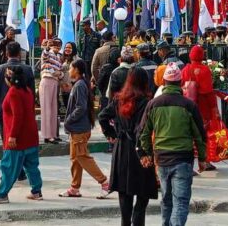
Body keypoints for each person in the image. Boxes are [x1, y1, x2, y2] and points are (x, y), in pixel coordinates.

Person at [138, 62, 207, 226]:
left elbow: (143, 133)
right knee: (181, 201)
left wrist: (147, 154)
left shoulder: (153, 104)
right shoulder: (189, 105)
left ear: (164, 82)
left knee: (167, 200)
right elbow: (200, 135)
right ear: (180, 82)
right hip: (183, 159)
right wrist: (202, 158)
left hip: (161, 160)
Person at [99, 67, 157, 226]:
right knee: (142, 195)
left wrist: (112, 134)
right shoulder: (147, 102)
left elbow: (102, 116)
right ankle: (137, 222)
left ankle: (126, 223)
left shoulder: (119, 99)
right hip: (141, 150)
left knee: (125, 194)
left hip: (122, 149)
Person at [0, 67, 44, 204]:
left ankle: (2, 194)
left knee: (8, 167)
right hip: (31, 136)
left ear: (9, 79)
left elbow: (18, 116)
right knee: (31, 166)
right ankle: (36, 191)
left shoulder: (13, 92)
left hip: (18, 138)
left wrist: (12, 135)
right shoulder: (27, 91)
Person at [60, 59, 110, 198]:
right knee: (75, 159)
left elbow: (80, 107)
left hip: (79, 129)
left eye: (71, 68)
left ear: (76, 70)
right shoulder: (80, 84)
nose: (69, 70)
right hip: (77, 128)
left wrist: (69, 120)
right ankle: (74, 188)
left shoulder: (80, 85)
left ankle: (104, 182)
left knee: (82, 157)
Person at [180, 44, 220, 170]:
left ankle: (188, 163)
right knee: (204, 134)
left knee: (189, 134)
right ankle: (205, 161)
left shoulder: (185, 69)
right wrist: (215, 109)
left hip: (188, 106)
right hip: (203, 107)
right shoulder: (205, 70)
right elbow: (209, 93)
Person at [0, 40, 36, 130]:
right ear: (19, 53)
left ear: (6, 53)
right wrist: (31, 110)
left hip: (4, 108)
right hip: (24, 108)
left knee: (6, 135)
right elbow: (32, 92)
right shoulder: (28, 69)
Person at [39, 38, 64, 144]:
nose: (57, 46)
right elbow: (44, 57)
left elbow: (61, 72)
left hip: (55, 82)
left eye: (59, 44)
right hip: (47, 79)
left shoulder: (59, 57)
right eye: (55, 44)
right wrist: (47, 48)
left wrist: (59, 74)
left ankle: (53, 134)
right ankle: (47, 135)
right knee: (47, 109)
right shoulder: (47, 53)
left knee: (54, 109)